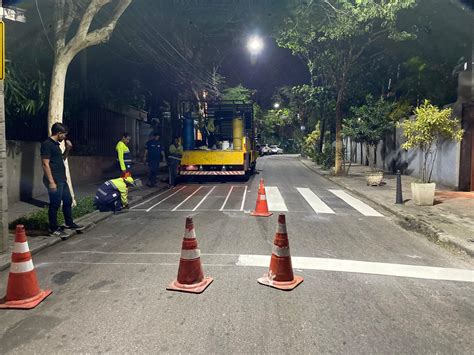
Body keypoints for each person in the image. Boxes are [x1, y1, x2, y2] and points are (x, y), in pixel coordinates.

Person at [41, 122, 82, 239]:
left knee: (68, 200)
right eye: (64, 134)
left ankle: (69, 223)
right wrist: (51, 182)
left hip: (62, 180)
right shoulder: (47, 145)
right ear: (59, 133)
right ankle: (53, 228)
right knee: (55, 204)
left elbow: (62, 158)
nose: (65, 137)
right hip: (54, 180)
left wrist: (68, 149)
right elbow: (45, 164)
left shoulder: (56, 145)